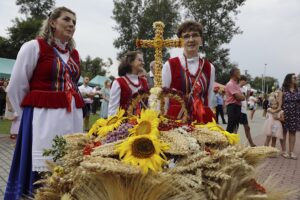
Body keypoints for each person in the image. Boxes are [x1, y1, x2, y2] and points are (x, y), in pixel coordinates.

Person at [4, 7, 84, 199]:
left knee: (67, 162)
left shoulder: (74, 55)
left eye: (74, 22)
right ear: (53, 22)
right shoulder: (34, 47)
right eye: (67, 19)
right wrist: (19, 119)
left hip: (71, 117)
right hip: (43, 117)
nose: (72, 24)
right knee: (43, 165)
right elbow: (17, 84)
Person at [162, 20, 215, 123]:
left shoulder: (209, 67)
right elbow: (163, 98)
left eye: (195, 35)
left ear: (201, 39)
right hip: (175, 121)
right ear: (181, 41)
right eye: (186, 36)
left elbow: (209, 98)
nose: (191, 39)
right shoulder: (170, 65)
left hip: (201, 120)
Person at [108, 51, 148, 116]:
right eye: (140, 60)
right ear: (130, 62)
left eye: (143, 61)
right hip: (123, 124)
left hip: (143, 124)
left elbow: (147, 104)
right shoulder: (118, 82)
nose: (143, 63)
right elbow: (113, 109)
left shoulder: (144, 82)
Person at [281, 73, 300, 159]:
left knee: (292, 133)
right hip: (285, 114)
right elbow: (279, 103)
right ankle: (284, 151)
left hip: (295, 114)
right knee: (283, 133)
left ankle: (291, 152)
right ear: (289, 79)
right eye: (294, 78)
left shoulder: (298, 90)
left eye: (296, 78)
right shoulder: (283, 90)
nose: (296, 79)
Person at [225, 67, 245, 133]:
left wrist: (242, 97)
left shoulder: (236, 84)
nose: (240, 75)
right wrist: (242, 97)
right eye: (239, 73)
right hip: (232, 107)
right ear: (234, 74)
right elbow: (238, 97)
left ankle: (233, 140)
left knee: (235, 125)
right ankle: (227, 141)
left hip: (237, 107)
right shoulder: (230, 84)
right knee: (231, 125)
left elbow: (242, 97)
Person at [239, 75, 255, 146]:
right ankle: (231, 143)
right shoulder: (237, 87)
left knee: (247, 127)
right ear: (242, 80)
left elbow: (247, 98)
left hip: (243, 110)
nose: (246, 83)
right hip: (238, 109)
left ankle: (251, 143)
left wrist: (248, 91)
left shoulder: (244, 88)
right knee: (234, 127)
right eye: (245, 81)